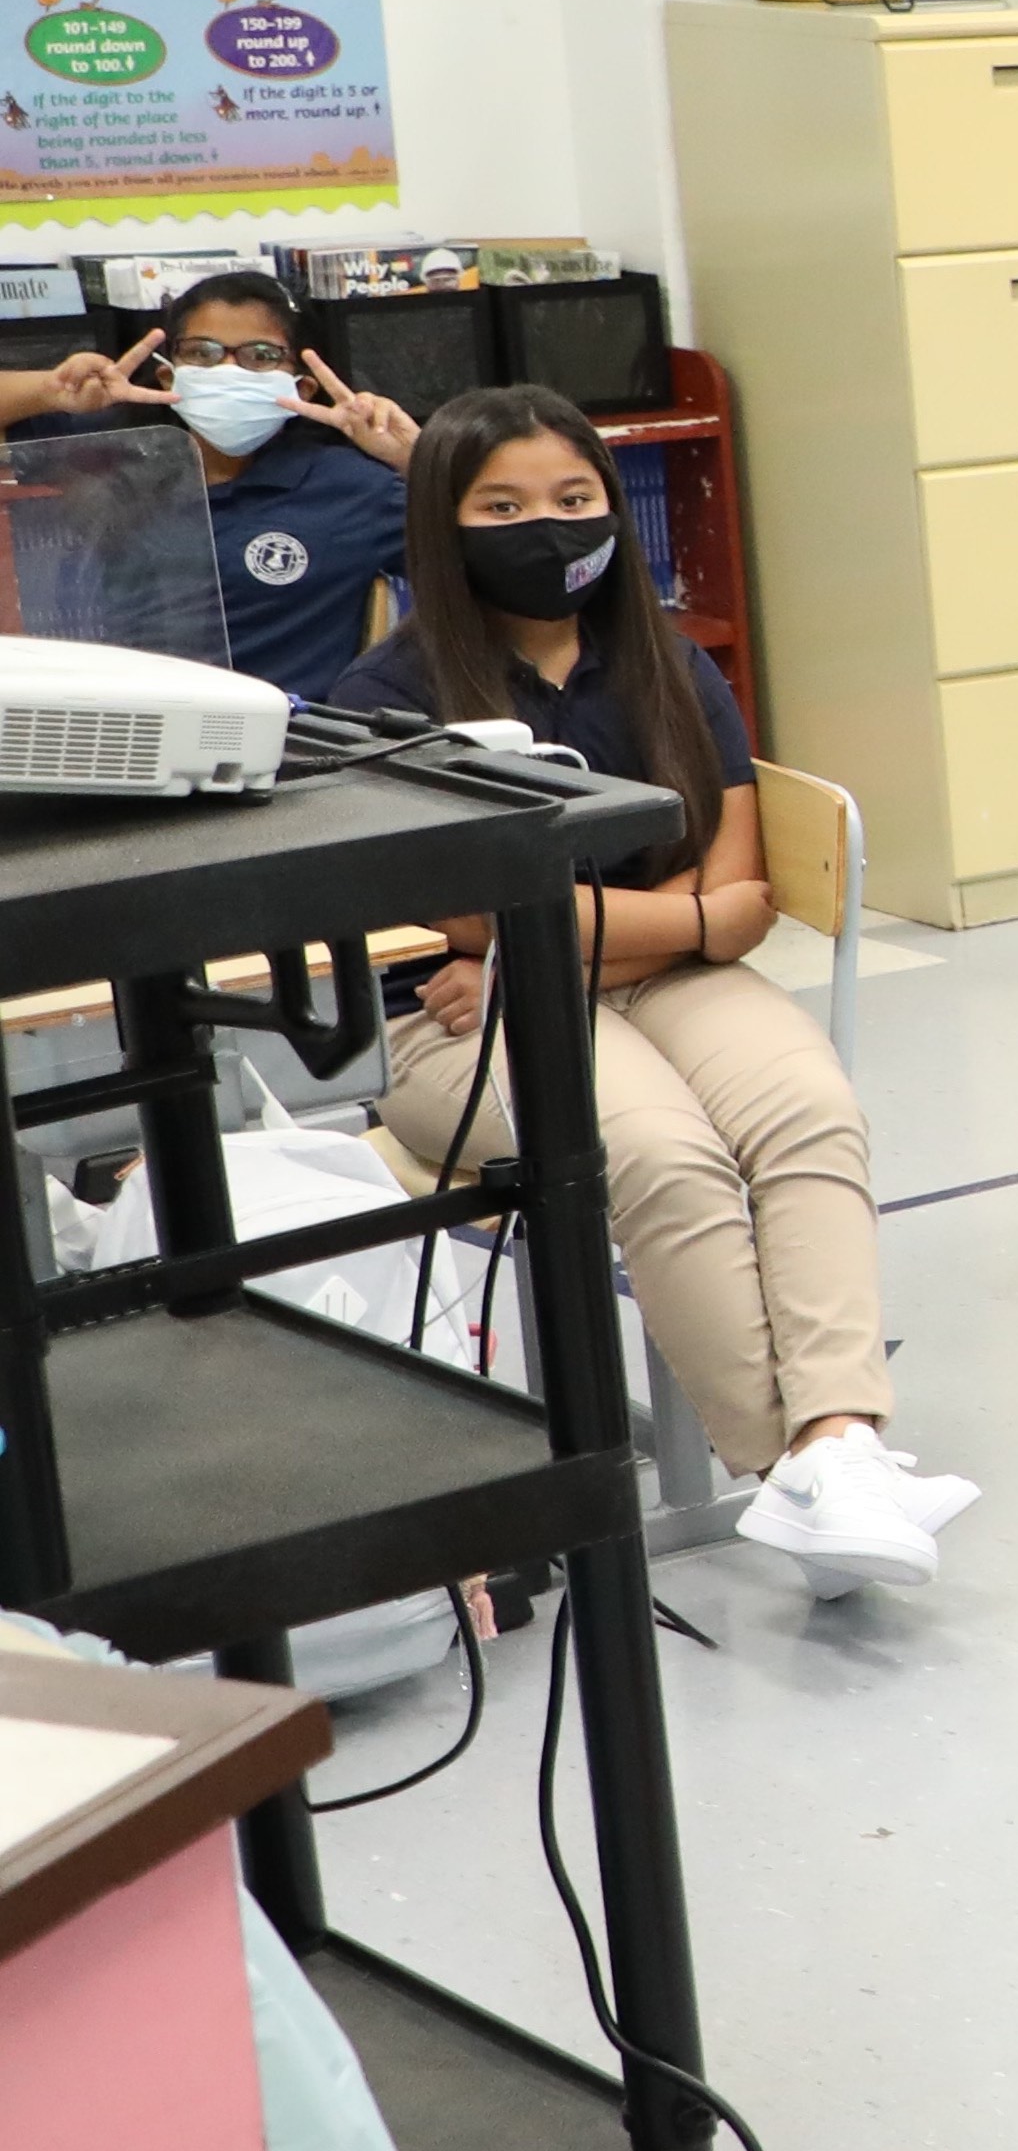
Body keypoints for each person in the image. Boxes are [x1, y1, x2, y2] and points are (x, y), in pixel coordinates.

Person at [334, 390, 966, 1587]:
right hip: (458, 1023)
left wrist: (546, 938)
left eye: (574, 498)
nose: (548, 526)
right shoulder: (383, 698)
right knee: (661, 1155)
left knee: (810, 1112)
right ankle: (794, 1467)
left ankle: (838, 1439)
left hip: (640, 983)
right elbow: (478, 916)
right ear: (441, 526)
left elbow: (740, 894)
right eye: (502, 507)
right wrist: (626, 929)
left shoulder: (667, 661)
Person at [96, 268, 420, 692]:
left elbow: (479, 562)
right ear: (168, 377)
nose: (228, 370)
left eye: (262, 356)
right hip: (131, 714)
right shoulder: (118, 480)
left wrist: (413, 457)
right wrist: (51, 392)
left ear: (303, 388)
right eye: (202, 353)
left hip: (285, 728)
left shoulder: (354, 489)